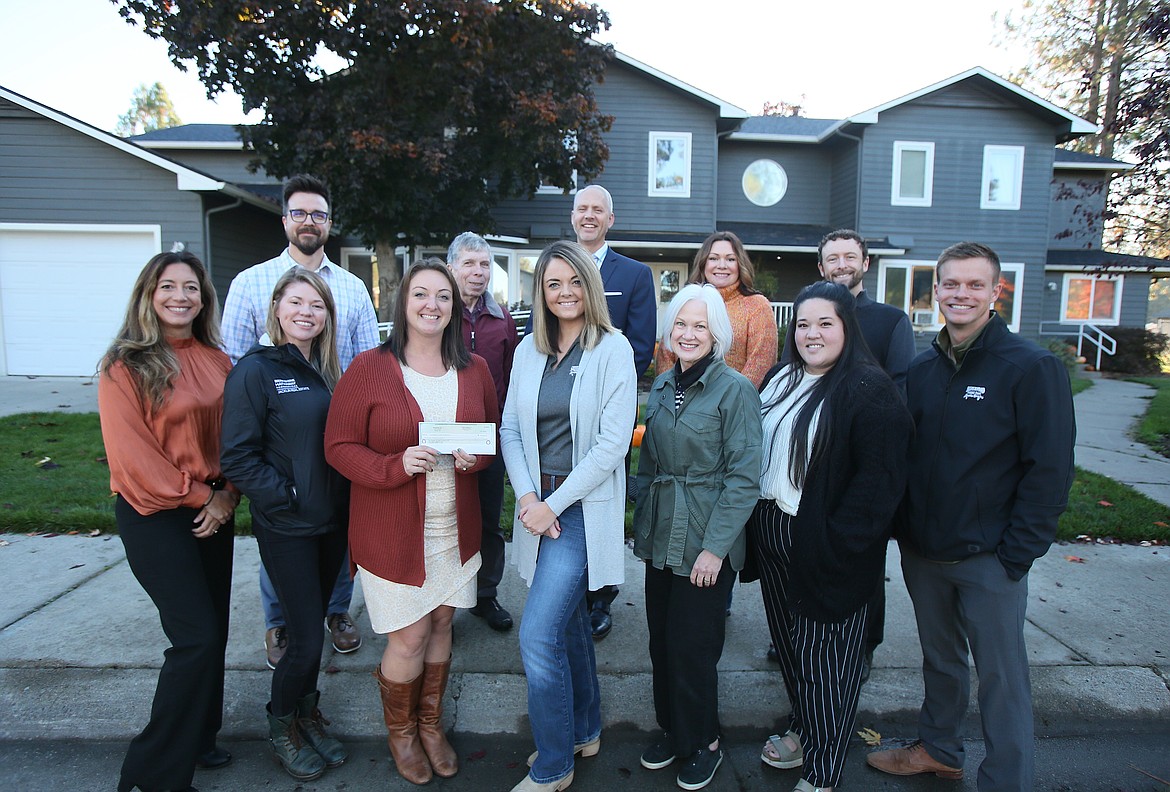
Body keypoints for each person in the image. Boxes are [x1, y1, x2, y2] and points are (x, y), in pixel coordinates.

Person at [866, 242, 1075, 790]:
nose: (961, 294)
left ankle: (1008, 780)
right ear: (936, 291)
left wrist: (1016, 554)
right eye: (951, 284)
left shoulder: (1030, 367)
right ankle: (939, 748)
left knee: (1002, 679)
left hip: (990, 558)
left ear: (995, 291)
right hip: (925, 551)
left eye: (974, 284)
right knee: (941, 661)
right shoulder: (923, 367)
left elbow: (1049, 471)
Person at [324, 258, 498, 785]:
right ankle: (401, 733)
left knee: (443, 623)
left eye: (443, 296)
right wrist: (392, 466)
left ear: (454, 306)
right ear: (402, 303)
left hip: (454, 531)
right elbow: (338, 446)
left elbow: (488, 439)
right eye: (421, 294)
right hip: (393, 532)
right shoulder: (370, 368)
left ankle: (430, 725)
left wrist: (476, 459)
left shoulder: (475, 370)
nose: (432, 305)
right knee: (409, 636)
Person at [749, 281, 912, 792]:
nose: (812, 333)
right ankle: (804, 728)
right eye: (802, 323)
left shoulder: (869, 389)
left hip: (826, 542)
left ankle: (823, 773)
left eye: (825, 323)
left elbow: (879, 487)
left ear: (847, 327)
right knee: (794, 650)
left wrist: (838, 545)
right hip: (772, 533)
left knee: (829, 665)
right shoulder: (780, 377)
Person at [221, 173, 379, 666]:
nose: (309, 222)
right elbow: (232, 361)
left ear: (330, 223)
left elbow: (368, 361)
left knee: (336, 522)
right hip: (277, 433)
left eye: (319, 214)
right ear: (285, 218)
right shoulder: (251, 283)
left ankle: (335, 611)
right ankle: (281, 622)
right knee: (283, 525)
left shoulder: (352, 288)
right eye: (300, 213)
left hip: (336, 430)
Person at [98, 251, 240, 792]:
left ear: (204, 299)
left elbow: (236, 439)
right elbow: (134, 460)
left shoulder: (218, 360)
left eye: (192, 288)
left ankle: (199, 737)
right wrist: (204, 496)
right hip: (155, 514)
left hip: (216, 508)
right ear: (148, 295)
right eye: (168, 287)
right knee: (195, 638)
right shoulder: (125, 367)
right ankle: (152, 774)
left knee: (215, 633)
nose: (181, 297)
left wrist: (226, 493)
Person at [501, 240, 637, 792]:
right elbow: (509, 430)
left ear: (590, 285)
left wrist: (552, 506)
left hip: (582, 508)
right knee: (571, 624)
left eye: (574, 282)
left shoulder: (613, 349)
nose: (564, 293)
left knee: (537, 635)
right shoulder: (527, 351)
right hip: (540, 502)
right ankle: (582, 728)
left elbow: (610, 447)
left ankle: (553, 765)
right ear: (541, 291)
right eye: (552, 284)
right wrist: (530, 499)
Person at [220, 269, 349, 781]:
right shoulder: (257, 370)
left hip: (331, 523)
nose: (306, 313)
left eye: (316, 305)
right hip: (289, 525)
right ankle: (281, 726)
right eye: (296, 302)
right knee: (303, 639)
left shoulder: (327, 369)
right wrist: (288, 495)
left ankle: (305, 713)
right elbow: (238, 457)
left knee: (312, 628)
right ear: (276, 308)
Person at [633, 284, 762, 791]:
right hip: (661, 534)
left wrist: (715, 549)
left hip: (707, 538)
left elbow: (743, 478)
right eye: (681, 325)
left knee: (694, 644)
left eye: (700, 326)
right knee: (661, 640)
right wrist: (641, 522)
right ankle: (674, 729)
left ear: (717, 335)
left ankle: (704, 739)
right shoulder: (663, 386)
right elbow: (649, 463)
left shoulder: (736, 390)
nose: (688, 334)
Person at [777, 229, 918, 679]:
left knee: (859, 564)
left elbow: (900, 388)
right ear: (821, 267)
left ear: (865, 263)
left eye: (848, 256)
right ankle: (805, 640)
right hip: (811, 461)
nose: (840, 263)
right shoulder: (806, 322)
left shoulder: (889, 321)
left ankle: (862, 644)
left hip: (862, 456)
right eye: (831, 258)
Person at [570, 184, 657, 640]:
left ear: (610, 218)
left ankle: (600, 596)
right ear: (572, 216)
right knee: (562, 495)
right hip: (556, 412)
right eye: (582, 208)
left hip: (610, 410)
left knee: (603, 500)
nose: (589, 216)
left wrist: (602, 391)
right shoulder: (556, 266)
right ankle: (566, 586)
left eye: (597, 210)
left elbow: (641, 348)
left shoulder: (635, 274)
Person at [447, 231, 519, 632]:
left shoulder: (501, 318)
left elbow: (510, 378)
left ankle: (484, 595)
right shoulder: (438, 310)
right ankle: (444, 604)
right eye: (469, 264)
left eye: (485, 264)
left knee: (488, 520)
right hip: (442, 436)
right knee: (445, 519)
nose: (478, 272)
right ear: (451, 267)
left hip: (489, 439)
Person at [655, 231, 777, 388]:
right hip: (681, 402)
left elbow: (760, 364)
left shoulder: (757, 307)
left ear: (740, 264)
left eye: (730, 259)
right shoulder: (686, 301)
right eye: (713, 258)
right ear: (703, 263)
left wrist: (728, 401)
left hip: (733, 405)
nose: (721, 265)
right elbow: (667, 355)